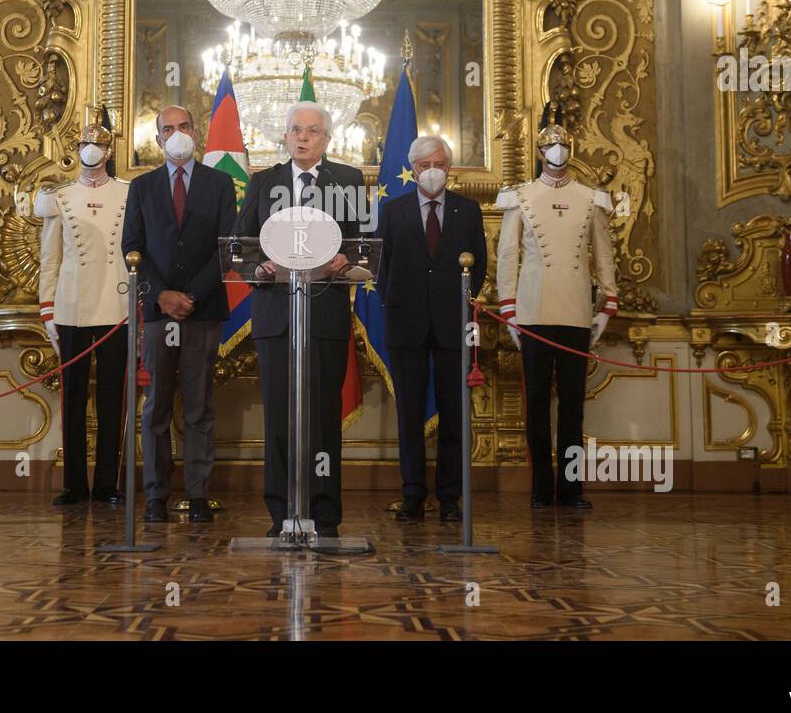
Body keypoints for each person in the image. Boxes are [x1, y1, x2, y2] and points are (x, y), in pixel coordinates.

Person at [234, 102, 364, 538]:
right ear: (285, 138)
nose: (303, 137)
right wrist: (259, 268)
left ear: (327, 139)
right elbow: (240, 246)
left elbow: (364, 243)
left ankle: (324, 514)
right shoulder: (262, 182)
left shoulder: (347, 181)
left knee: (324, 417)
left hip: (325, 316)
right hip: (277, 318)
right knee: (279, 419)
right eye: (295, 130)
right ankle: (282, 513)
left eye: (312, 131)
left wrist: (348, 258)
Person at [495, 103, 617, 509]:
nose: (558, 151)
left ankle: (571, 490)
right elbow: (508, 257)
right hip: (532, 314)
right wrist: (509, 309)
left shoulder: (591, 198)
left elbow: (604, 256)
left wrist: (606, 306)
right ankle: (540, 491)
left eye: (563, 144)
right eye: (551, 145)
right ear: (540, 152)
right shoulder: (519, 197)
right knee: (536, 409)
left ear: (571, 147)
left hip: (576, 313)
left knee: (572, 409)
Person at [122, 105, 236, 524]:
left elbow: (227, 248)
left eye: (184, 126)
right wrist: (161, 296)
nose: (177, 133)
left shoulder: (220, 183)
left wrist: (189, 296)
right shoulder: (143, 187)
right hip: (157, 312)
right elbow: (132, 248)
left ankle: (198, 494)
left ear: (196, 133)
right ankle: (155, 495)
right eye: (167, 129)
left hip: (203, 310)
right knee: (156, 406)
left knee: (199, 404)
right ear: (158, 140)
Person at [375, 134, 486, 522]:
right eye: (424, 166)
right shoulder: (393, 211)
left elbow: (480, 267)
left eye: (439, 164)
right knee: (409, 413)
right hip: (405, 325)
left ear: (449, 168)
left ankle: (451, 495)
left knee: (454, 412)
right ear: (414, 170)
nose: (432, 171)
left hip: (453, 324)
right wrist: (397, 303)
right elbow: (381, 266)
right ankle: (413, 494)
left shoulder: (467, 211)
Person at [36, 108, 130, 507]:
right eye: (85, 144)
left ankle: (107, 483)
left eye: (99, 144)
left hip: (116, 305)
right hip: (71, 307)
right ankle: (74, 483)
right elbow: (50, 259)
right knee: (73, 397)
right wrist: (47, 312)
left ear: (109, 151)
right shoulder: (60, 198)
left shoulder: (129, 193)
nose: (92, 150)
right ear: (77, 149)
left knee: (112, 398)